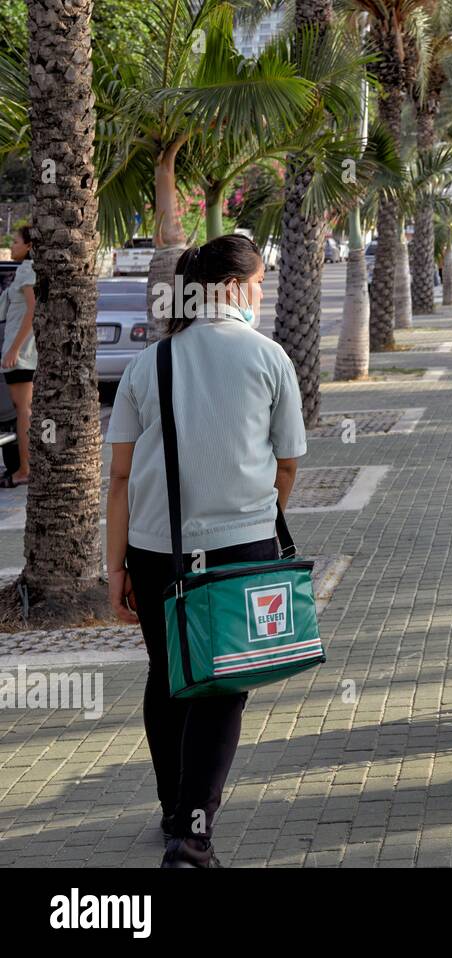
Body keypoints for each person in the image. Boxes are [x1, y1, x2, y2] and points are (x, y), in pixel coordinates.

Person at [105, 233, 307, 868]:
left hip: (154, 549)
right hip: (240, 547)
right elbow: (288, 465)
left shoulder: (149, 363)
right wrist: (255, 508)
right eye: (259, 282)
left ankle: (174, 813)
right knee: (222, 688)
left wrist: (115, 567)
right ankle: (193, 836)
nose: (262, 292)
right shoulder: (269, 357)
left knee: (169, 680)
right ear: (235, 289)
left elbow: (118, 478)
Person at [0, 224, 36, 486]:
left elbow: (32, 311)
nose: (12, 246)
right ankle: (25, 466)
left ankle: (25, 469)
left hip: (20, 354)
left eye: (16, 241)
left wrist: (14, 348)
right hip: (19, 351)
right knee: (22, 409)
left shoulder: (28, 271)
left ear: (29, 246)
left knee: (23, 410)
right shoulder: (23, 271)